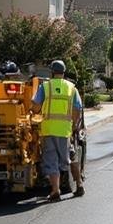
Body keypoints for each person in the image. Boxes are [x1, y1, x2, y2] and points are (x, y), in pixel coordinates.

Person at [31, 60, 84, 202]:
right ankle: (79, 184)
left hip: (48, 130)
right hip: (65, 130)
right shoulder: (72, 88)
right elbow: (77, 109)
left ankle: (55, 191)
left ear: (52, 72)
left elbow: (36, 106)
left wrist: (35, 112)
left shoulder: (45, 87)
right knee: (71, 156)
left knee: (51, 160)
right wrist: (75, 125)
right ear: (64, 71)